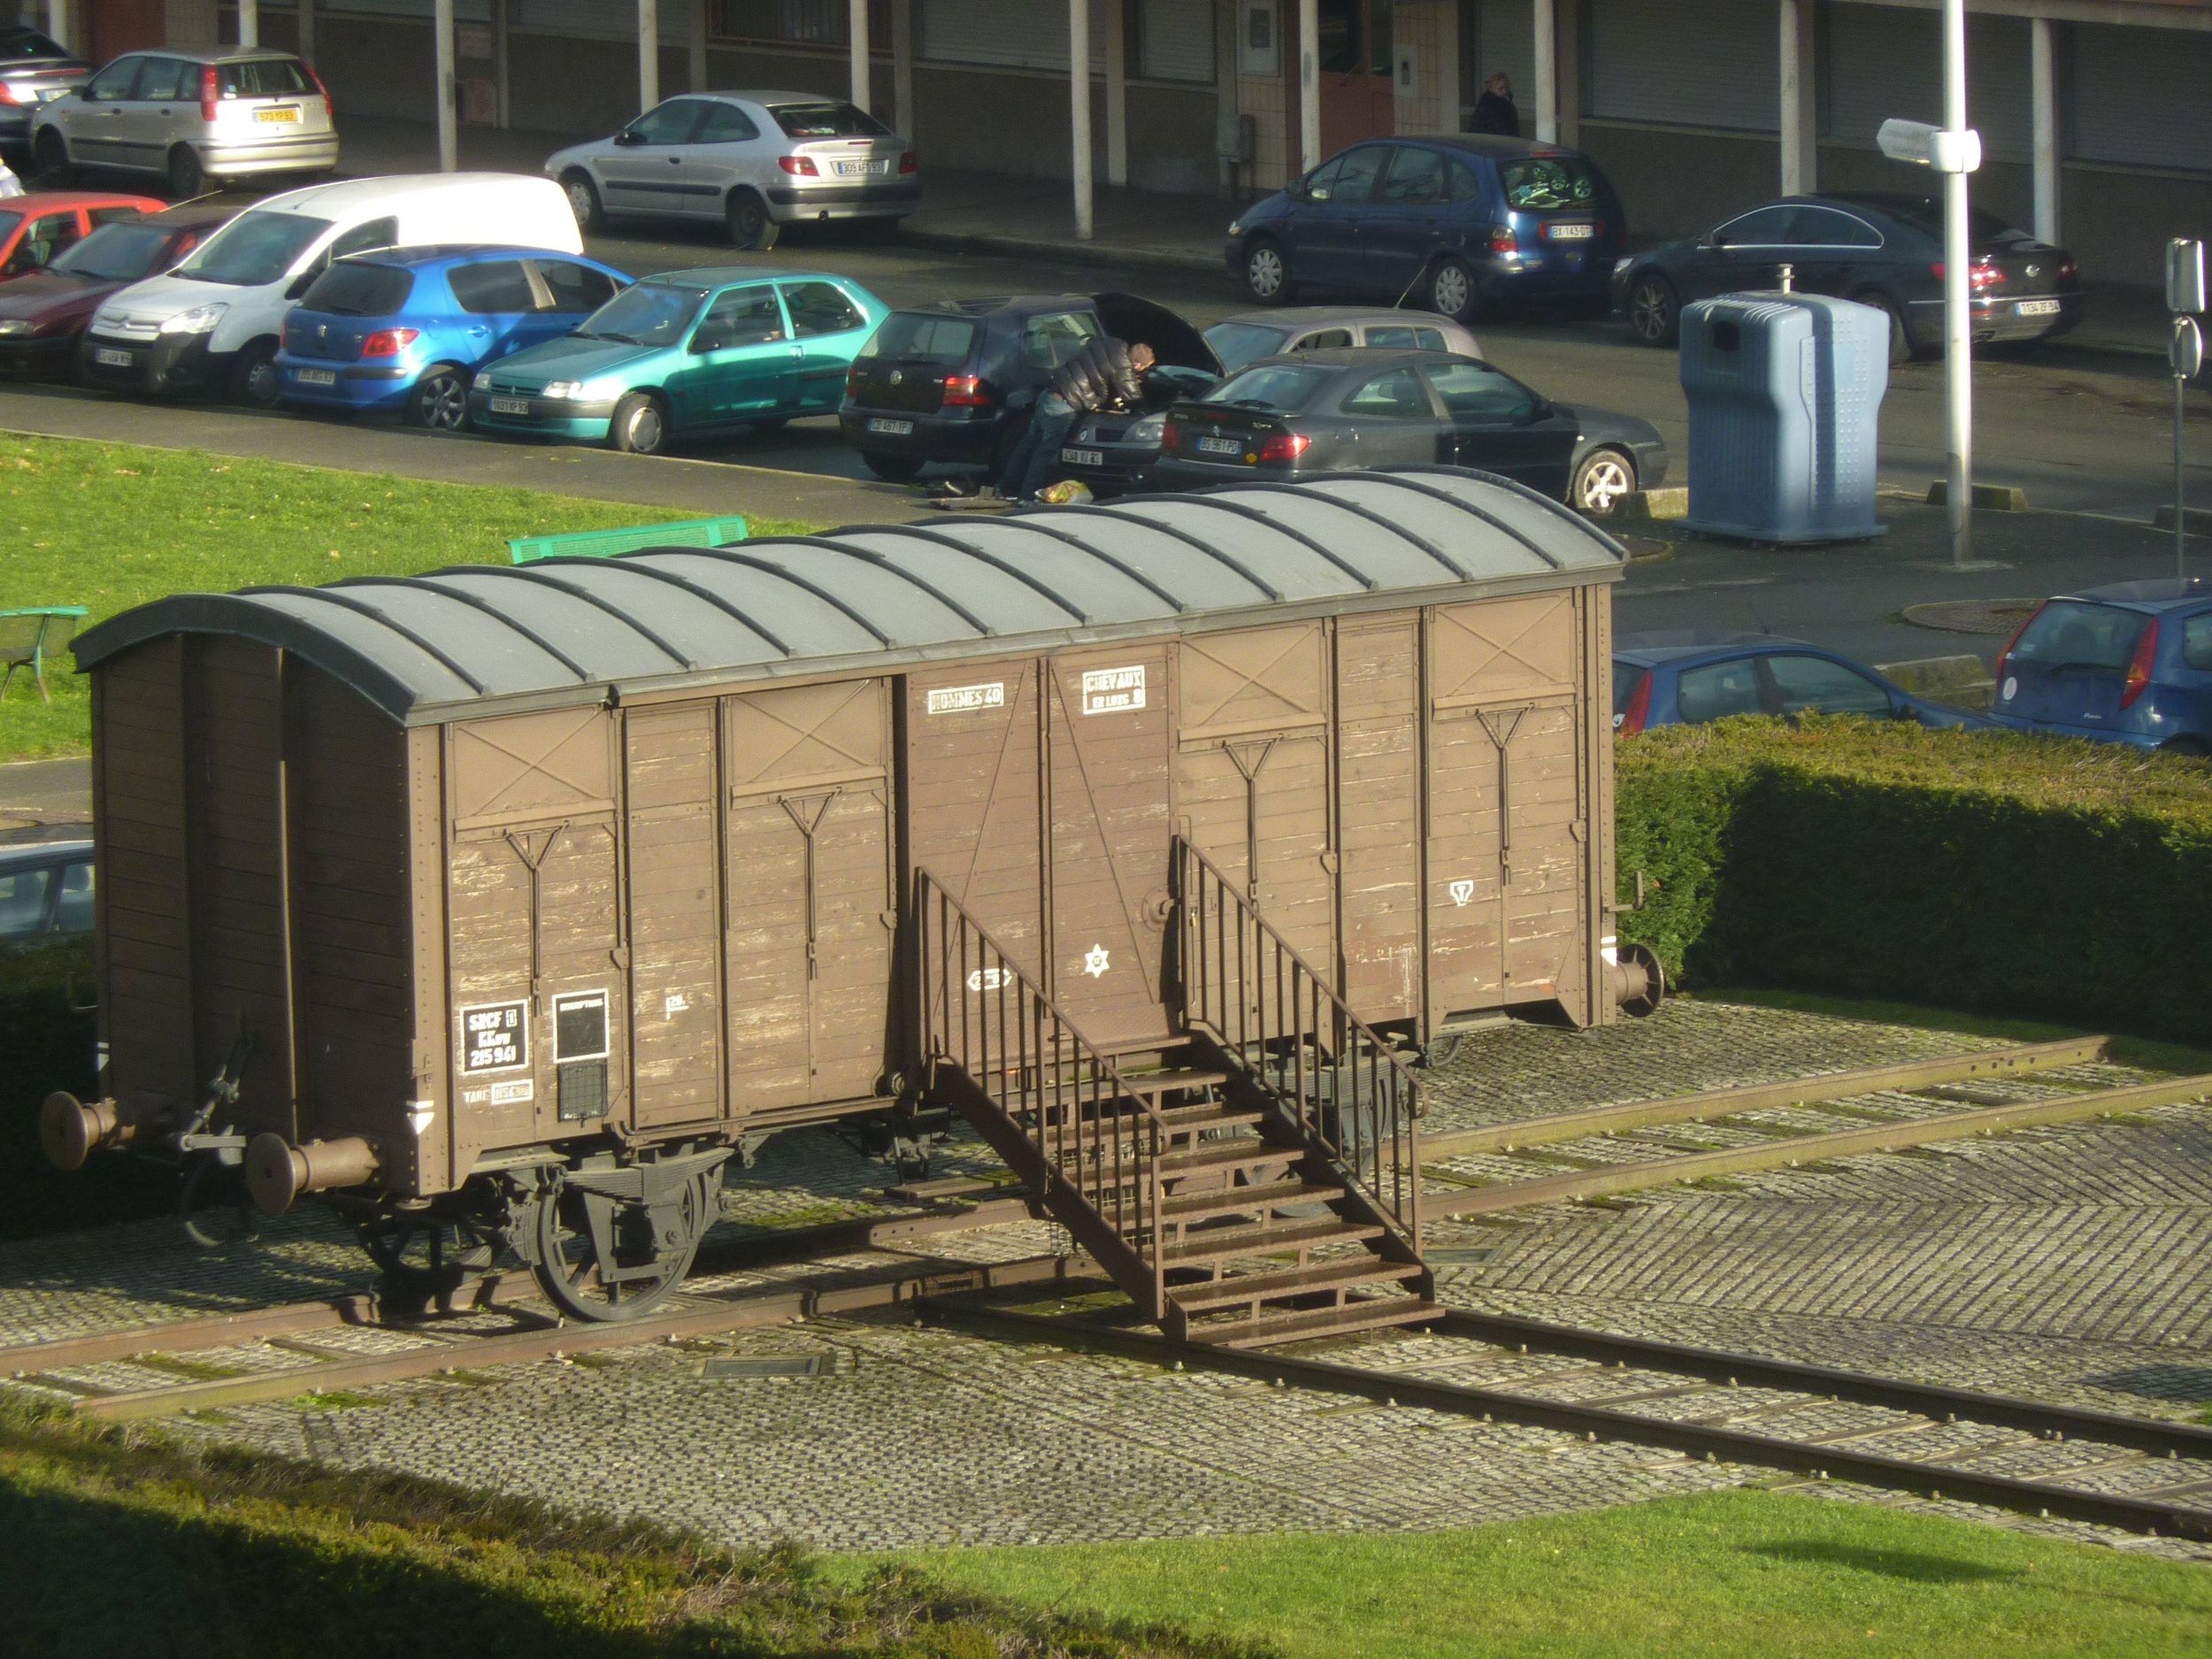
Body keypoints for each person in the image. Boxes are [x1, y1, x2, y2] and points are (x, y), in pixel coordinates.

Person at [999, 336, 1160, 503]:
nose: (1139, 372)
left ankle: (1006, 489)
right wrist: (1145, 411)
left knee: (1029, 443)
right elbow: (1132, 396)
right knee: (1045, 453)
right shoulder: (1123, 366)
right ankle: (1028, 497)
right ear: (1137, 365)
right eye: (1142, 369)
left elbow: (1097, 373)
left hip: (1048, 396)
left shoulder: (1110, 345)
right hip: (1063, 408)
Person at [1472, 71, 1520, 138]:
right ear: (1491, 89)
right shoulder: (1485, 107)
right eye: (1500, 89)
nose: (1504, 91)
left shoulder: (1509, 106)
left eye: (1506, 88)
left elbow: (1515, 130)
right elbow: (1476, 130)